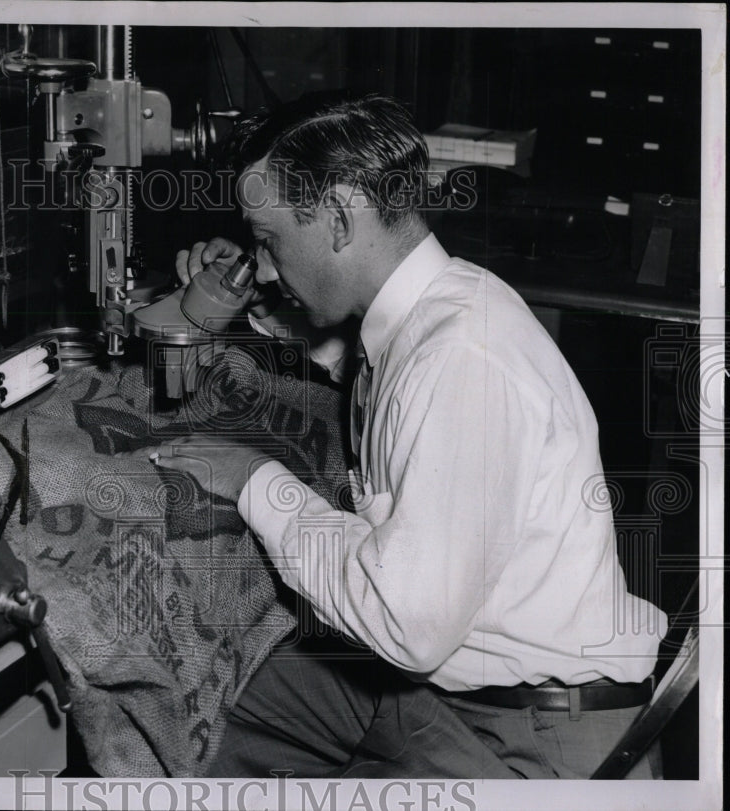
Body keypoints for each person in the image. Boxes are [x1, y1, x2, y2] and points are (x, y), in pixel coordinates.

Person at [133, 93, 667, 779]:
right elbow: (361, 367)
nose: (262, 264)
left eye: (268, 241)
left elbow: (404, 622)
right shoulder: (433, 303)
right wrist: (254, 301)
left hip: (527, 732)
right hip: (461, 673)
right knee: (200, 700)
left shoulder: (463, 356)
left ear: (340, 217)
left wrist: (254, 482)